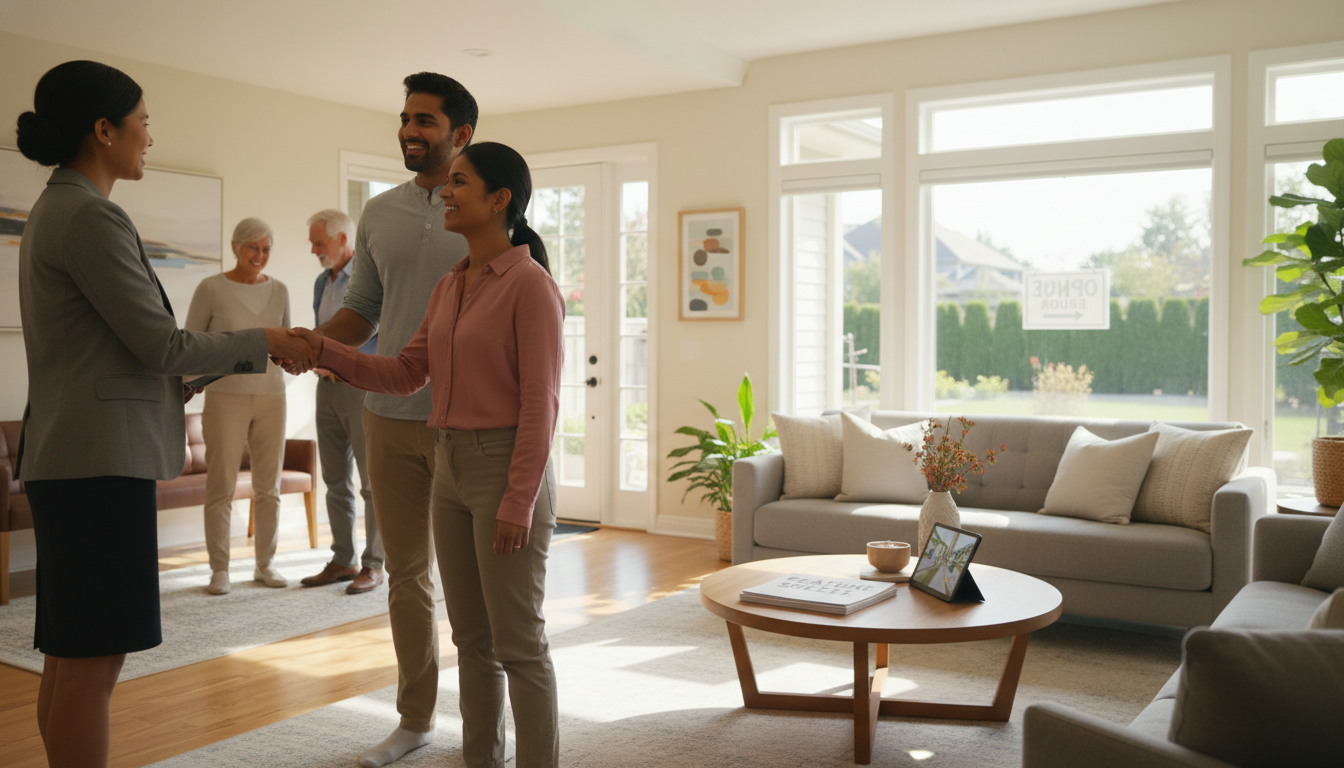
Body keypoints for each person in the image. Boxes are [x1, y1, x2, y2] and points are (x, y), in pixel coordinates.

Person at [13, 60, 314, 768]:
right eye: (143, 122)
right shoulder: (89, 214)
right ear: (103, 129)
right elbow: (162, 344)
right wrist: (264, 341)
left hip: (70, 457)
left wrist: (213, 364)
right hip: (97, 465)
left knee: (69, 656)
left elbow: (122, 355)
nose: (149, 137)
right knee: (93, 663)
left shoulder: (56, 209)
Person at [293, 140, 564, 768]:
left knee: (518, 644)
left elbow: (541, 405)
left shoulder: (530, 286)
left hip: (505, 470)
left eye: (460, 182)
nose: (446, 191)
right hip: (450, 466)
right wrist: (322, 350)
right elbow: (406, 373)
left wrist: (519, 500)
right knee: (471, 641)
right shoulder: (450, 285)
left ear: (501, 200)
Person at [304, 72, 476, 768]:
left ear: (460, 134)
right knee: (408, 577)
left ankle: (488, 720)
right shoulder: (378, 212)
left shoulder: (491, 207)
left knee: (471, 588)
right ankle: (415, 717)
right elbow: (363, 310)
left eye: (425, 120)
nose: (410, 129)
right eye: (405, 117)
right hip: (388, 416)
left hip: (466, 423)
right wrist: (314, 343)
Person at [185, 217, 293, 595]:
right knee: (222, 486)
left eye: (266, 249)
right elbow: (191, 344)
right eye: (253, 248)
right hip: (223, 399)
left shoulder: (280, 290)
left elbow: (286, 343)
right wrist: (187, 385)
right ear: (235, 247)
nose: (260, 256)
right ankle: (220, 570)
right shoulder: (210, 288)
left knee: (269, 487)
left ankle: (265, 563)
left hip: (271, 397)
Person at [300, 208, 383, 594]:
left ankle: (374, 564)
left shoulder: (368, 279)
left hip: (360, 385)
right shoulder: (322, 281)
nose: (313, 247)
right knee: (334, 479)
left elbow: (371, 334)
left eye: (319, 241)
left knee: (371, 482)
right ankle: (343, 559)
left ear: (343, 240)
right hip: (326, 388)